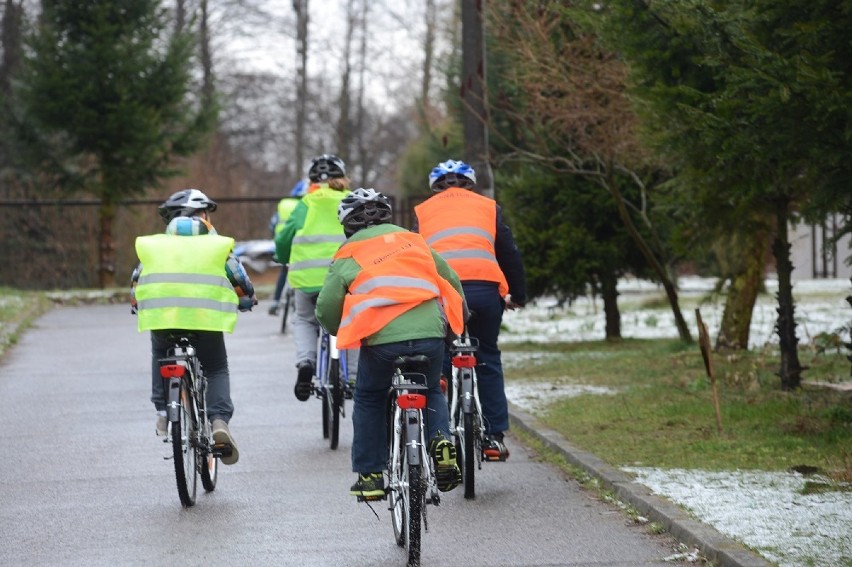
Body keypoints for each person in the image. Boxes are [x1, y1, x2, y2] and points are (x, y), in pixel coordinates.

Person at [316, 188, 466, 498]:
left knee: (370, 396)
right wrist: (460, 319)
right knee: (432, 389)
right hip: (429, 334)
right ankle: (441, 442)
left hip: (382, 342)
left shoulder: (347, 252)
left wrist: (337, 328)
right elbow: (450, 279)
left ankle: (371, 475)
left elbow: (327, 308)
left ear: (347, 226)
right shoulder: (415, 241)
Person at [131, 189, 257, 465]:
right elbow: (237, 275)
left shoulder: (157, 245)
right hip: (206, 319)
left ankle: (164, 413)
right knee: (215, 367)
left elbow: (138, 279)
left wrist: (135, 301)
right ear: (202, 217)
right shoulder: (215, 245)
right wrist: (247, 298)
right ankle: (219, 421)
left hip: (163, 318)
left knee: (161, 353)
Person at [413, 159, 526, 461]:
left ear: (435, 186)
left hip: (444, 293)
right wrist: (518, 294)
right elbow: (509, 253)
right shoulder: (489, 207)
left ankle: (444, 433)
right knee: (486, 356)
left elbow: (415, 257)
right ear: (470, 184)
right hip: (485, 290)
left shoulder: (422, 212)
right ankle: (493, 437)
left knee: (444, 356)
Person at [274, 154, 358, 400]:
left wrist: (281, 257)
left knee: (304, 320)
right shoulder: (350, 201)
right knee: (351, 321)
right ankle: (352, 377)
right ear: (342, 178)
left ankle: (306, 364)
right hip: (344, 278)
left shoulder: (305, 203)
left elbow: (283, 238)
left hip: (307, 278)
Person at [268, 179, 308, 316]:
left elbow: (273, 224)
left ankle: (276, 301)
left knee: (284, 270)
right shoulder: (306, 206)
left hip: (282, 241)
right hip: (302, 244)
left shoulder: (284, 204)